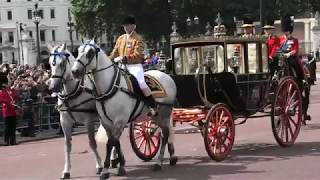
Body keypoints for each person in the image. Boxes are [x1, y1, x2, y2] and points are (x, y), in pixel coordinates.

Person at [109, 15, 157, 116]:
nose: (126, 27)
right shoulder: (120, 38)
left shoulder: (138, 39)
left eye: (129, 25)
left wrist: (125, 58)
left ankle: (152, 105)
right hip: (121, 66)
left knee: (141, 83)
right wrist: (108, 59)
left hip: (134, 66)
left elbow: (138, 54)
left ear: (134, 26)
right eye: (125, 25)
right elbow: (114, 52)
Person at [0, 74, 19, 145]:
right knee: (7, 127)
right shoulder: (2, 92)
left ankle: (12, 141)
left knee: (13, 127)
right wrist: (12, 105)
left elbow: (15, 96)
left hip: (13, 111)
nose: (9, 84)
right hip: (7, 111)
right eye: (7, 83)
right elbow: (2, 100)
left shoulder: (11, 91)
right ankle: (6, 141)